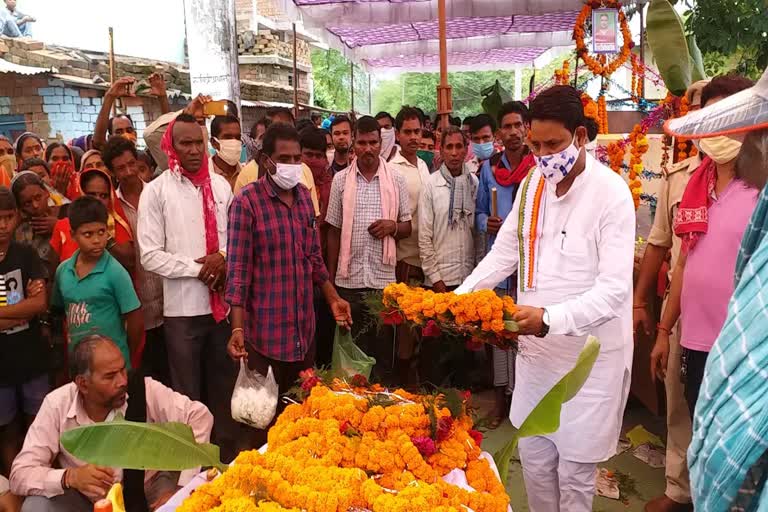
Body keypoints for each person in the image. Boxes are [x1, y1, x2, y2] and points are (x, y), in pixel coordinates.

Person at [456, 86, 635, 511]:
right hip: (538, 356)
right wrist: (458, 300)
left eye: (552, 145)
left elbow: (613, 291)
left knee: (574, 476)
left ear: (579, 136)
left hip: (588, 361)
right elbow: (504, 252)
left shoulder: (611, 193)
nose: (542, 154)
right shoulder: (534, 183)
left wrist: (549, 318)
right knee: (534, 460)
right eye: (535, 144)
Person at [225, 124, 351, 442]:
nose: (292, 166)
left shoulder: (304, 201)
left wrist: (332, 297)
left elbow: (313, 258)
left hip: (302, 333)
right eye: (285, 158)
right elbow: (237, 271)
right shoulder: (246, 203)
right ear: (266, 160)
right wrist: (237, 329)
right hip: (263, 339)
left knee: (301, 427)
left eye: (297, 159)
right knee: (259, 429)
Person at [651, 75, 757, 421]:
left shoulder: (760, 188)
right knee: (702, 434)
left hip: (746, 346)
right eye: (713, 119)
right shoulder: (696, 183)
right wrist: (664, 331)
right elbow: (685, 262)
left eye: (731, 118)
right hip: (696, 342)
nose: (719, 131)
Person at [10, 335, 213, 511]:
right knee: (35, 507)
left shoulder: (143, 389)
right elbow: (20, 474)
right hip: (87, 501)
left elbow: (199, 416)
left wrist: (182, 491)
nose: (122, 381)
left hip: (149, 492)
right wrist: (70, 477)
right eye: (110, 376)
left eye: (122, 370)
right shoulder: (57, 405)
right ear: (83, 384)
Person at [137, 114, 240, 460]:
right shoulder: (156, 191)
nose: (194, 150)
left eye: (198, 142)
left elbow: (233, 240)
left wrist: (222, 257)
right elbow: (150, 256)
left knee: (224, 389)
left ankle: (226, 461)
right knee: (187, 396)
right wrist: (199, 268)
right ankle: (192, 468)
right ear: (170, 148)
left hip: (221, 309)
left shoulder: (221, 186)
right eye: (185, 143)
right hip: (181, 313)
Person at [635, 80, 709, 512]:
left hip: (737, 315)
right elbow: (662, 246)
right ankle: (679, 489)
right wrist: (642, 303)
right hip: (682, 310)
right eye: (697, 110)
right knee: (678, 398)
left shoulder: (757, 177)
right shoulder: (678, 178)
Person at [326, 116, 412, 382]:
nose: (367, 149)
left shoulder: (396, 180)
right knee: (352, 351)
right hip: (348, 280)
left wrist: (392, 227)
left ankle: (382, 403)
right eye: (362, 142)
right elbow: (333, 230)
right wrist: (330, 281)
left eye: (373, 142)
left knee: (383, 349)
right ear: (354, 143)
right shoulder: (341, 181)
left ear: (381, 143)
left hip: (383, 280)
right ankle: (355, 409)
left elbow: (408, 226)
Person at [475, 101, 536, 426]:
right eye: (507, 126)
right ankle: (501, 401)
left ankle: (522, 402)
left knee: (525, 337)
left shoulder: (538, 166)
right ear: (499, 133)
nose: (513, 132)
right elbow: (479, 212)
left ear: (526, 128)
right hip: (499, 266)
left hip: (528, 269)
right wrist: (488, 223)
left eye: (518, 125)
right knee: (498, 336)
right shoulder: (489, 169)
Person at [102, 136, 168, 385]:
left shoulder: (158, 193)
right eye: (121, 168)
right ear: (112, 172)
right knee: (145, 378)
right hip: (136, 306)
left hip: (169, 301)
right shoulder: (111, 208)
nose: (129, 172)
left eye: (132, 163)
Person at [51, 196, 142, 371]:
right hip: (80, 366)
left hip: (113, 366)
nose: (96, 240)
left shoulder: (115, 272)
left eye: (101, 232)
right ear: (72, 235)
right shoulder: (63, 271)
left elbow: (135, 320)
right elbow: (58, 311)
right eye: (88, 234)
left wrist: (126, 356)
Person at [0, 187, 49, 475]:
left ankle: (37, 476)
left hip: (31, 356)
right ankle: (13, 483)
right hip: (2, 364)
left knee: (37, 424)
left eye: (8, 217)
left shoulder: (25, 254)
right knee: (7, 429)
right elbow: (29, 307)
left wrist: (29, 307)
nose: (3, 225)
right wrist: (23, 310)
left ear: (17, 218)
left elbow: (40, 304)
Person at [388, 107, 430, 385]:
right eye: (408, 132)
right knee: (405, 326)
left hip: (426, 258)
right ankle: (403, 383)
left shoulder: (424, 165)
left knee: (419, 326)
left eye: (417, 131)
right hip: (404, 259)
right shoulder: (392, 170)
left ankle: (416, 377)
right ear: (397, 135)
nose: (414, 137)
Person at [50, 168, 134, 272]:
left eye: (103, 196)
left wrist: (102, 233)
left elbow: (129, 262)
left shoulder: (116, 224)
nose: (97, 200)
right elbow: (54, 272)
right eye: (91, 194)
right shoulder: (63, 226)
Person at [92, 75, 170, 151]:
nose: (126, 135)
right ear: (109, 138)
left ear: (135, 134)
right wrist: (109, 97)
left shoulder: (144, 158)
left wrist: (162, 97)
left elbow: (169, 134)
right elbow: (98, 142)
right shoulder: (109, 159)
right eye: (119, 132)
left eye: (129, 130)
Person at [11, 172, 62, 279]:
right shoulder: (19, 230)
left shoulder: (66, 212)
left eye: (38, 197)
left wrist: (60, 227)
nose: (35, 205)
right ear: (20, 208)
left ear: (47, 192)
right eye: (27, 203)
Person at [209, 115, 242, 191]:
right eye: (228, 137)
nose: (234, 142)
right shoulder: (205, 175)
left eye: (237, 138)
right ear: (214, 143)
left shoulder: (247, 174)